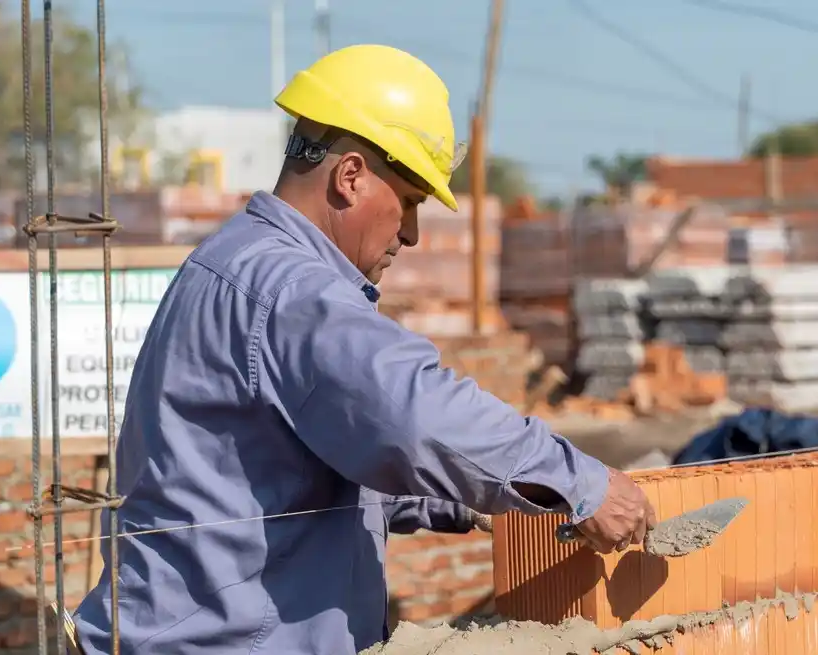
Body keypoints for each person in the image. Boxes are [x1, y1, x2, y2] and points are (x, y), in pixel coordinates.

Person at [73, 44, 655, 655]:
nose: (412, 232)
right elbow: (415, 413)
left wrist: (468, 497)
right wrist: (578, 482)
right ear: (350, 178)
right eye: (408, 201)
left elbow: (298, 466)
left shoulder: (233, 261)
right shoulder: (293, 289)